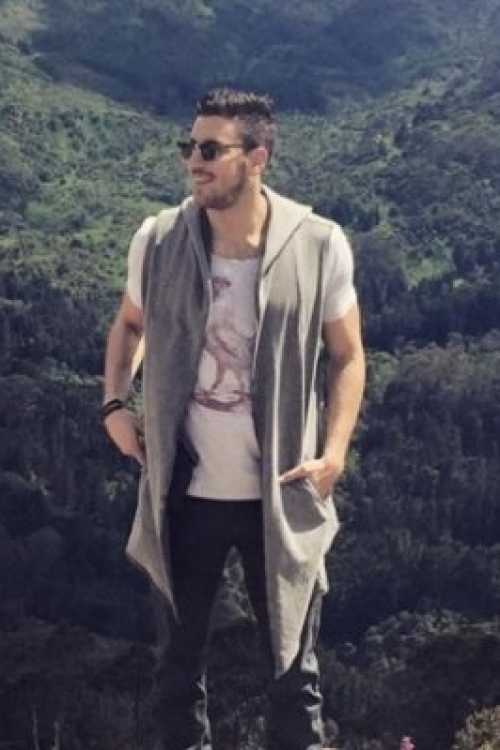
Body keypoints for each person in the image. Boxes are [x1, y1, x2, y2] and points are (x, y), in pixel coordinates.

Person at [102, 88, 365, 750]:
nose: (193, 161)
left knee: (294, 677)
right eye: (189, 146)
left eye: (210, 150)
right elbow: (130, 325)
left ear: (256, 158)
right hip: (182, 492)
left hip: (281, 492)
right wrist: (114, 404)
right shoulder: (158, 240)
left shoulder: (318, 244)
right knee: (177, 673)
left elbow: (347, 354)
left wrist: (335, 453)